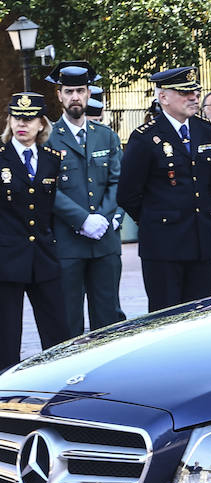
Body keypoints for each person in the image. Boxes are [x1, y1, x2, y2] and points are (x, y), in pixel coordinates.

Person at [116, 66, 211, 312]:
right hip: (164, 245)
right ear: (163, 97)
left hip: (200, 241)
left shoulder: (204, 130)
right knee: (166, 317)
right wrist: (157, 220)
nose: (193, 97)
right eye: (184, 93)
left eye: (195, 92)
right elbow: (128, 193)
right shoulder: (145, 137)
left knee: (200, 316)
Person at [45, 61, 124, 337]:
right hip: (67, 244)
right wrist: (82, 219)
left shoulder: (107, 137)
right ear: (59, 95)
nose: (75, 97)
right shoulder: (48, 139)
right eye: (69, 91)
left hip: (104, 242)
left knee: (108, 319)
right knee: (68, 320)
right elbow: (47, 188)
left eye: (80, 90)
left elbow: (118, 181)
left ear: (89, 93)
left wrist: (101, 217)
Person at [0, 92, 66, 367]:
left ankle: (58, 383)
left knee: (57, 332)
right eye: (16, 117)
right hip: (6, 258)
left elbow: (47, 209)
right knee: (6, 336)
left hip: (42, 256)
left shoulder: (51, 158)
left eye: (28, 118)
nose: (21, 123)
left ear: (41, 123)